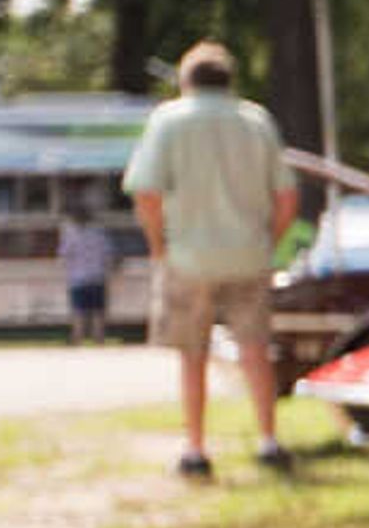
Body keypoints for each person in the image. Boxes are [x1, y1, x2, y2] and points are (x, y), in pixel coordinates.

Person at [123, 40, 297, 477]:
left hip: (188, 256)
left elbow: (146, 192)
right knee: (255, 349)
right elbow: (287, 196)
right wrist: (268, 243)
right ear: (228, 81)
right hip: (248, 255)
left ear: (186, 81)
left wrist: (159, 246)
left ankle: (197, 449)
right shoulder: (256, 121)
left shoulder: (169, 120)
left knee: (192, 354)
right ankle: (269, 441)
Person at [60, 206, 117, 346]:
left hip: (77, 279)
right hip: (97, 278)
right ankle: (99, 341)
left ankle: (77, 341)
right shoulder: (99, 234)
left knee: (78, 313)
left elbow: (63, 256)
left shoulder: (70, 235)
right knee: (98, 312)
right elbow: (109, 255)